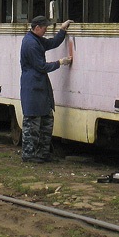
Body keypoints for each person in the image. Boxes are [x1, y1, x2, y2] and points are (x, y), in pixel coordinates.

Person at [19, 15, 73, 163]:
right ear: (37, 28)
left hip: (39, 86)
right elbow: (41, 66)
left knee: (45, 120)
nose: (46, 31)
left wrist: (62, 30)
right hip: (33, 86)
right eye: (44, 28)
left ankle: (42, 153)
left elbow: (51, 43)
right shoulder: (31, 44)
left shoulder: (35, 39)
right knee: (33, 123)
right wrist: (60, 62)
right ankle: (30, 155)